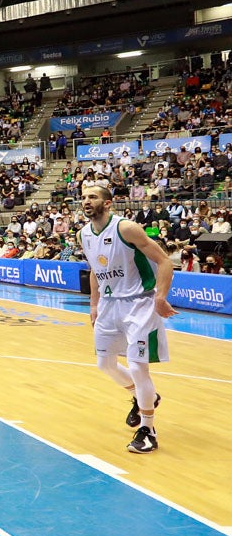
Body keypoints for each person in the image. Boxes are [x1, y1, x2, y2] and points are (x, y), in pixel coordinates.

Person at [78, 184, 176, 454]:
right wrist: (94, 305)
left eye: (93, 197)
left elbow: (165, 261)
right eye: (84, 197)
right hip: (109, 306)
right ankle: (145, 397)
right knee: (105, 365)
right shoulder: (83, 233)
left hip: (140, 304)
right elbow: (95, 271)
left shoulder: (127, 228)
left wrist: (160, 296)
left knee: (137, 366)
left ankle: (148, 430)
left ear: (108, 203)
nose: (86, 201)